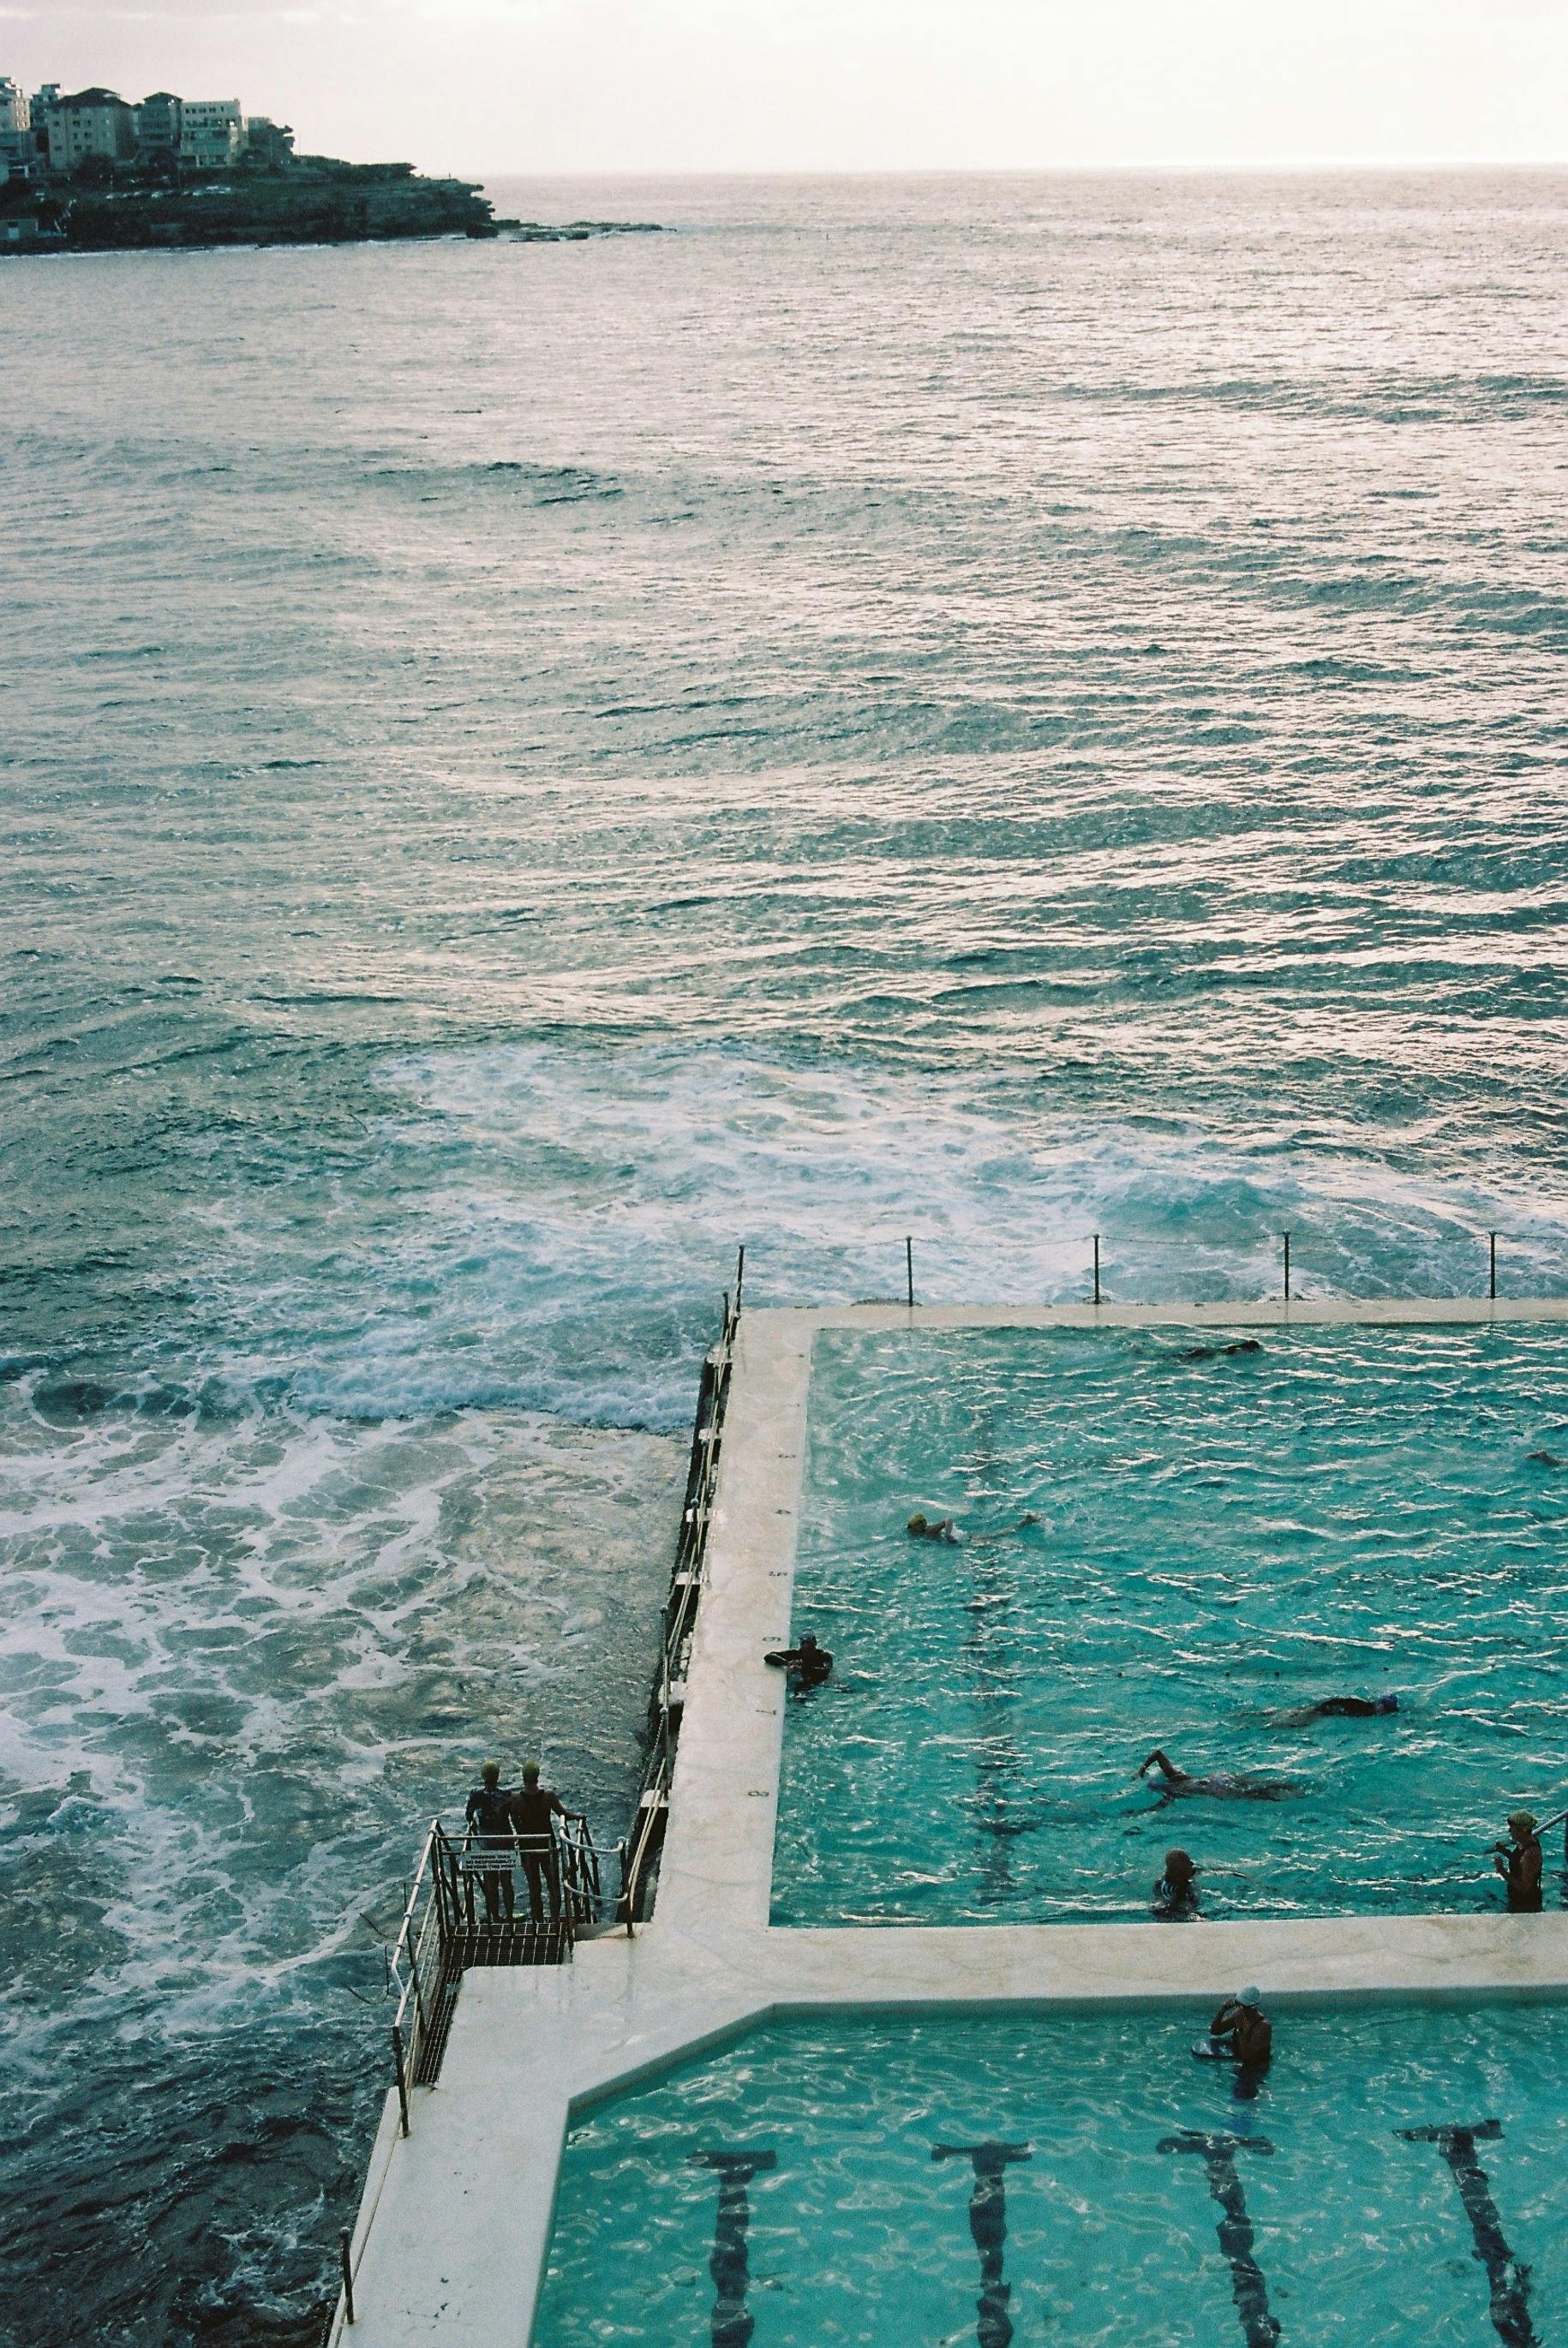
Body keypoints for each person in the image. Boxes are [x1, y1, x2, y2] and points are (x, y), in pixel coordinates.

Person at [511, 1762, 568, 1922]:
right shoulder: (548, 1796)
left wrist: (519, 1834)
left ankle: (539, 1922)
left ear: (523, 1778)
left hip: (527, 1847)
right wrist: (579, 1817)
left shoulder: (515, 1799)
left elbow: (514, 1820)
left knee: (534, 1887)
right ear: (537, 1776)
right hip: (547, 1846)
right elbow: (564, 1814)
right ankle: (556, 1919)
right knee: (553, 1885)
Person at [464, 1760, 518, 1925]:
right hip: (505, 1840)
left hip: (486, 1842)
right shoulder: (507, 1795)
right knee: (506, 1881)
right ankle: (509, 1915)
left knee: (490, 1880)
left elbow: (469, 1815)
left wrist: (474, 1830)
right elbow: (513, 1818)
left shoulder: (476, 1794)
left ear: (483, 1776)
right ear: (497, 1776)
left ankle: (494, 1916)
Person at [1138, 1749, 1296, 1801]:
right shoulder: (1175, 1775)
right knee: (1257, 1783)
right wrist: (1143, 1768)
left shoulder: (1173, 1792)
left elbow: (1158, 1807)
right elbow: (1158, 1754)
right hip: (1218, 1778)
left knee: (1253, 1794)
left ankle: (1283, 1797)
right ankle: (1287, 1785)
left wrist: (1138, 1813)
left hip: (1215, 1788)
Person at [1201, 1989, 1273, 2095]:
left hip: (1256, 2067)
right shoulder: (1240, 2014)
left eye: (1242, 2006)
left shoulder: (1263, 2026)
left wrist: (1240, 2029)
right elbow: (1216, 2031)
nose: (1239, 2008)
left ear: (1252, 2007)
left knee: (1242, 2097)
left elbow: (1247, 2055)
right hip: (1241, 2062)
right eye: (1238, 2004)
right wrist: (1223, 2010)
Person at [1493, 1811, 1543, 1914]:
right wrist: (1505, 1851)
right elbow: (1519, 1862)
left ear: (1521, 1831)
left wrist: (1501, 1870)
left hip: (1526, 1906)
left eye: (1512, 1829)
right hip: (1517, 1900)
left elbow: (1524, 1887)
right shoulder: (1525, 1842)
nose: (1509, 1831)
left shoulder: (1530, 1853)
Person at [763, 1630, 834, 1692]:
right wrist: (788, 1663)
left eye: (809, 1644)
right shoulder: (795, 1654)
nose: (806, 1646)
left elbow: (825, 1671)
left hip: (822, 1683)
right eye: (803, 1643)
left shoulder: (824, 1656)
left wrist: (801, 1668)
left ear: (815, 1643)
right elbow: (769, 1656)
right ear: (800, 1644)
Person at [1270, 1692, 1399, 1726]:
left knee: (1294, 1714)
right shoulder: (1366, 1711)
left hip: (1325, 1707)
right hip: (1324, 1710)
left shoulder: (1365, 1705)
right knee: (1294, 1723)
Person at [1152, 1848, 1200, 1921]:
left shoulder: (1183, 1876)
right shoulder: (1168, 1889)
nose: (1192, 1865)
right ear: (1179, 1870)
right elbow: (1165, 1909)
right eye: (1188, 1863)